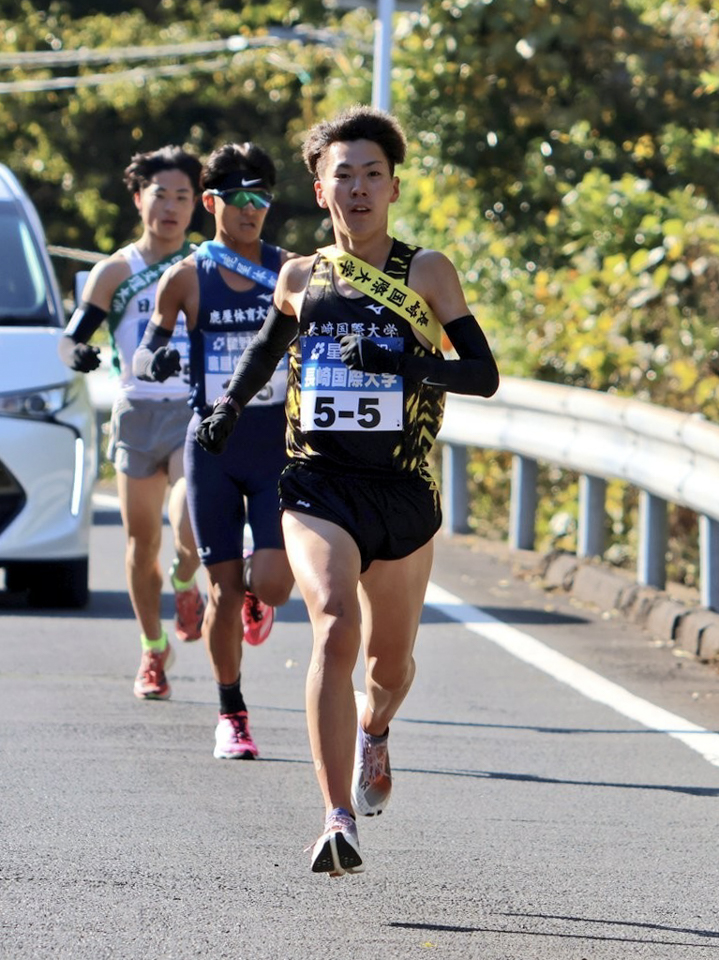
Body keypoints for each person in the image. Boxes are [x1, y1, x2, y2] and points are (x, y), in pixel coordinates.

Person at [195, 106, 499, 875]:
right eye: (343, 176)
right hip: (315, 482)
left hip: (399, 489)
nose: (357, 189)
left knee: (389, 668)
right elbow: (266, 351)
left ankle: (375, 730)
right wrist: (227, 409)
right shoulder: (300, 275)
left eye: (371, 175)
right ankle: (335, 819)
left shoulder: (425, 271)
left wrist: (406, 366)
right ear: (320, 188)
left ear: (392, 187)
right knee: (332, 621)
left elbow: (483, 375)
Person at [133, 142, 295, 760]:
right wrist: (162, 358)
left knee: (275, 584)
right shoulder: (186, 277)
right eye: (239, 198)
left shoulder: (290, 270)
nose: (252, 210)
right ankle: (232, 714)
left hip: (276, 443)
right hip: (214, 446)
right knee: (222, 593)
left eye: (262, 197)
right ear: (212, 203)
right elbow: (147, 354)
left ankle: (259, 592)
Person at [59, 144, 206, 702]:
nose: (170, 207)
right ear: (139, 196)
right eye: (160, 195)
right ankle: (152, 648)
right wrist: (79, 356)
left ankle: (188, 580)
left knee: (188, 518)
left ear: (198, 205)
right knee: (140, 543)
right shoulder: (114, 271)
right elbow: (72, 339)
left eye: (182, 197)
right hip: (138, 411)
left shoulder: (204, 266)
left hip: (193, 408)